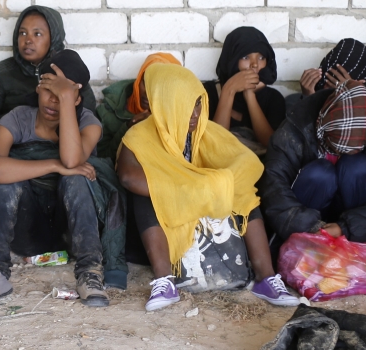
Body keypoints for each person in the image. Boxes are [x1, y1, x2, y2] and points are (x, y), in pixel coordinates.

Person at [116, 65, 298, 312]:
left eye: (198, 104)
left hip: (202, 202)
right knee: (147, 196)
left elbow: (246, 163)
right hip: (162, 222)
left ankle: (265, 279)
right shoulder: (139, 135)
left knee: (244, 193)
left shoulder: (206, 131)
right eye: (186, 105)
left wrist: (211, 185)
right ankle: (164, 281)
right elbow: (128, 177)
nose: (195, 113)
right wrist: (191, 188)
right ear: (166, 104)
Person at [0, 49, 127, 310]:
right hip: (28, 231)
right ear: (38, 88)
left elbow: (72, 161)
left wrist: (67, 101)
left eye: (63, 94)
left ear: (77, 98)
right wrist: (54, 165)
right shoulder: (18, 118)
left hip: (71, 232)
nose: (53, 101)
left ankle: (89, 272)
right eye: (48, 91)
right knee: (8, 180)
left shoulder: (89, 123)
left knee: (76, 178)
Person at [260, 80, 366, 245]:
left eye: (351, 149)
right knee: (321, 172)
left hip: (356, 222)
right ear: (323, 126)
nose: (340, 154)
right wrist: (312, 228)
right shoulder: (294, 130)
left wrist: (345, 229)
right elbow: (274, 189)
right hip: (306, 214)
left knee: (357, 166)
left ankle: (358, 244)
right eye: (337, 147)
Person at [0, 6, 94, 142]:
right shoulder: (1, 73)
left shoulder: (72, 72)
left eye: (37, 34)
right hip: (14, 146)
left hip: (63, 146)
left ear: (54, 38)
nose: (28, 40)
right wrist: (23, 120)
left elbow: (88, 119)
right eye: (22, 33)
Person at [204, 27, 285, 153]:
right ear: (231, 59)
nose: (255, 64)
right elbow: (216, 146)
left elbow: (271, 145)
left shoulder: (274, 98)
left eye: (261, 57)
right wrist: (229, 90)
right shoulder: (207, 93)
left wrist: (249, 95)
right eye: (246, 57)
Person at [95, 52, 182, 163]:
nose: (147, 92)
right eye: (145, 82)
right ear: (139, 80)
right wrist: (128, 127)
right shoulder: (108, 111)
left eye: (156, 85)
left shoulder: (182, 114)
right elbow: (101, 158)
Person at [290, 39, 366, 113]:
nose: (327, 87)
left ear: (360, 85)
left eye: (339, 81)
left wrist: (352, 97)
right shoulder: (293, 102)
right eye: (327, 79)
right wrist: (309, 99)